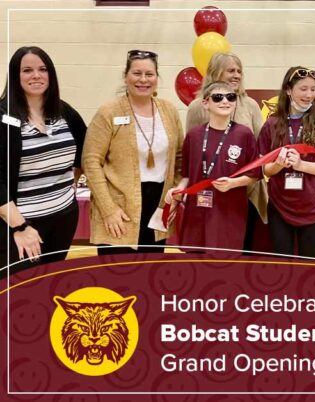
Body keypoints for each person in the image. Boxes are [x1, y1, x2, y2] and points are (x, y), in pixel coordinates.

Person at [82, 50, 184, 254]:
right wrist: (108, 209)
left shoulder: (169, 111)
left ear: (157, 77)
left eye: (149, 74)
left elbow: (180, 158)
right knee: (118, 275)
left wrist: (175, 196)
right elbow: (91, 161)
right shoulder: (109, 112)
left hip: (158, 207)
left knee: (150, 274)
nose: (143, 80)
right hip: (120, 209)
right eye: (137, 73)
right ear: (125, 76)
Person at [0, 46, 87, 272]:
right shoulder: (3, 117)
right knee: (17, 292)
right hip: (20, 224)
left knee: (48, 285)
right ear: (14, 75)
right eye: (27, 70)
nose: (36, 75)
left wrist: (71, 185)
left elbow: (86, 152)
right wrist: (20, 227)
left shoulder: (64, 111)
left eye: (42, 69)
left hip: (64, 216)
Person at [256, 66, 315, 258]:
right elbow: (265, 170)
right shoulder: (272, 123)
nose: (309, 94)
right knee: (283, 266)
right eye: (303, 89)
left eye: (312, 89)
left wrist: (301, 165)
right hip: (279, 207)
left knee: (307, 268)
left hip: (312, 207)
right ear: (288, 90)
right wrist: (279, 164)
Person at [186, 52, 267, 251]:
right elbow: (192, 152)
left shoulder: (250, 105)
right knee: (207, 248)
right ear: (215, 72)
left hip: (246, 192)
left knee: (241, 247)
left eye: (240, 71)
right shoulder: (197, 107)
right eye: (231, 70)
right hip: (209, 192)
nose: (237, 75)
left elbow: (262, 147)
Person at [169, 81, 257, 252]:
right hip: (197, 212)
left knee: (224, 268)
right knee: (195, 268)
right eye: (218, 98)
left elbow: (255, 174)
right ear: (205, 103)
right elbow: (187, 175)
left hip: (229, 213)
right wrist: (177, 192)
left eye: (231, 97)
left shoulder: (244, 134)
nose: (225, 101)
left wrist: (233, 183)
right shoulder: (193, 136)